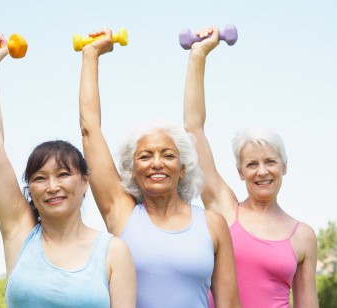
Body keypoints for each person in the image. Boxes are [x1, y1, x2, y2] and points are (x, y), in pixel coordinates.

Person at [78, 28, 241, 308]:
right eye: (145, 156)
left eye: (167, 155)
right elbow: (89, 129)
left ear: (182, 168)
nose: (156, 163)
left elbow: (230, 305)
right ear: (131, 169)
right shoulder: (122, 213)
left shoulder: (213, 224)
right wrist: (91, 54)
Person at [0, 34, 136, 307]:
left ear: (85, 182)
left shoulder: (112, 252)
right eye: (40, 178)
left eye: (63, 174)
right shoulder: (20, 232)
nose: (52, 186)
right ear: (31, 190)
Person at [183, 26, 319, 307]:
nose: (262, 171)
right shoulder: (224, 209)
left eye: (270, 161)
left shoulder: (303, 235)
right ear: (240, 172)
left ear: (284, 167)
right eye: (252, 164)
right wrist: (198, 56)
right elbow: (193, 128)